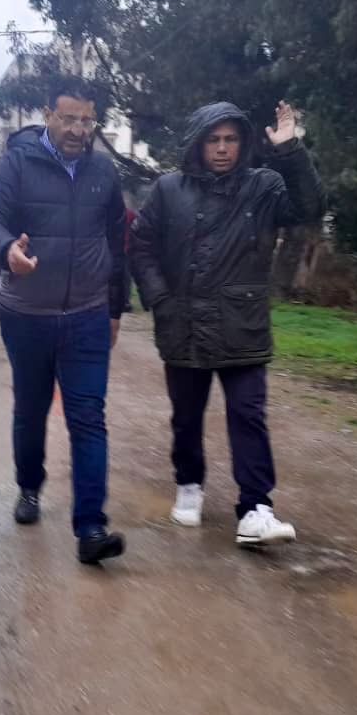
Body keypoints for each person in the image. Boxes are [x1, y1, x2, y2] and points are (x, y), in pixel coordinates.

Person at [129, 101, 326, 547]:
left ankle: (256, 508)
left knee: (248, 415)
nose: (222, 148)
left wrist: (290, 150)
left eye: (231, 139)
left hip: (243, 323)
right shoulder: (168, 189)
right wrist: (160, 299)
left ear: (243, 142)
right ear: (198, 143)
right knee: (186, 416)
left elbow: (310, 207)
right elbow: (140, 246)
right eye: (213, 140)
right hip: (183, 323)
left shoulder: (264, 186)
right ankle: (189, 484)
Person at [0, 76, 127, 566]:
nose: (79, 129)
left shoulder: (103, 172)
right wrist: (6, 249)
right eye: (69, 119)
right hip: (27, 314)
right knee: (32, 406)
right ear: (48, 115)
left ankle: (91, 528)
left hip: (87, 314)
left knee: (88, 416)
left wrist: (116, 307)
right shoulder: (17, 164)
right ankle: (29, 486)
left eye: (88, 120)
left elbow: (117, 243)